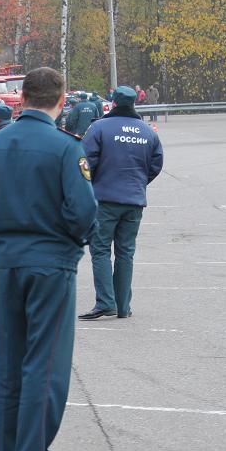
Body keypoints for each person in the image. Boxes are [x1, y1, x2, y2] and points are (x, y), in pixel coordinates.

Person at [0, 67, 97, 451]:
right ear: (62, 99)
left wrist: (6, 235)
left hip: (10, 262)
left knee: (10, 357)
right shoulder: (63, 147)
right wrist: (71, 242)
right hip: (51, 263)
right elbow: (84, 210)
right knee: (47, 360)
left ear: (21, 97)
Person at [78, 86, 164, 320]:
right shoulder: (148, 132)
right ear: (134, 104)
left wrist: (90, 186)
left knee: (101, 250)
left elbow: (85, 162)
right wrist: (138, 183)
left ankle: (106, 302)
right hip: (134, 200)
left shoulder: (99, 128)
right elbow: (155, 165)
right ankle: (123, 305)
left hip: (105, 199)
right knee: (126, 253)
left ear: (113, 103)